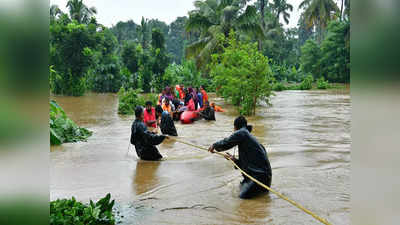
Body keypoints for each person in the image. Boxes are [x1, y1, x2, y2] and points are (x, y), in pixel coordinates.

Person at [208, 116, 272, 199]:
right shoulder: (249, 139)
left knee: (242, 199)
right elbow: (246, 165)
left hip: (259, 179)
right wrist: (234, 160)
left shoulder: (242, 132)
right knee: (241, 189)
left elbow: (227, 142)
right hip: (264, 179)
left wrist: (214, 146)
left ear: (235, 127)